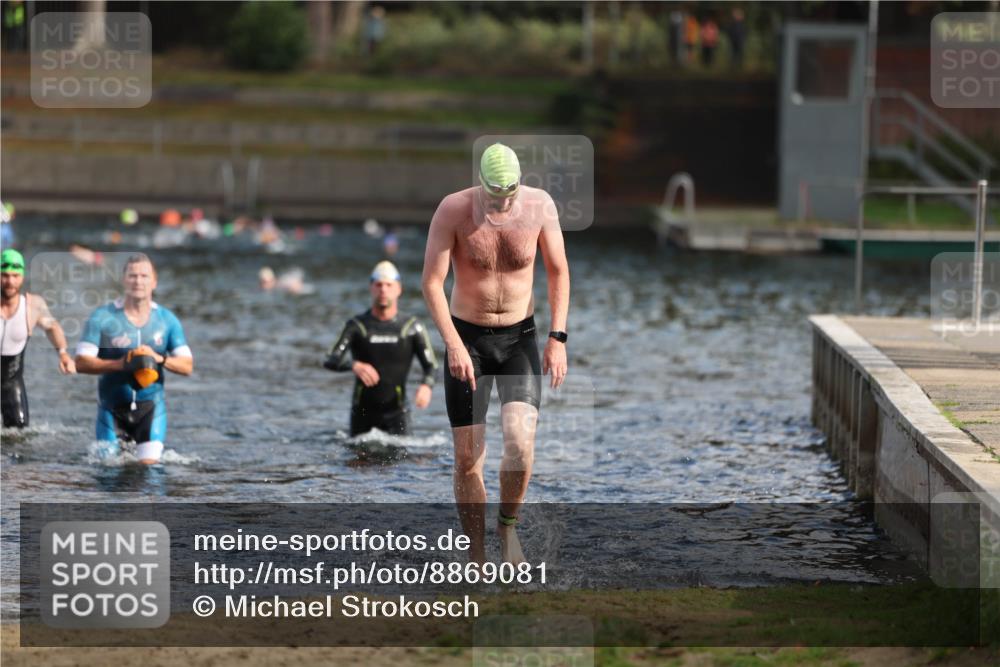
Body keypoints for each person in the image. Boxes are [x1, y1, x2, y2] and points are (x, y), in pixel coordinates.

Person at [421, 143, 570, 564]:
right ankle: (475, 552)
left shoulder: (540, 207)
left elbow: (558, 270)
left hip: (518, 337)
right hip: (466, 339)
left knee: (521, 443)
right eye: (493, 196)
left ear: (519, 184)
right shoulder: (453, 210)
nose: (500, 205)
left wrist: (557, 338)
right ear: (480, 183)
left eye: (507, 196)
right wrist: (452, 344)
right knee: (468, 457)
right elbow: (432, 283)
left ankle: (506, 530)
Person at [75, 254, 193, 464]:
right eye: (132, 275)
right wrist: (119, 364)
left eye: (144, 276)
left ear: (154, 282)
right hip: (111, 411)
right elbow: (81, 362)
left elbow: (187, 366)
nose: (138, 281)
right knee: (108, 472)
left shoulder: (167, 320)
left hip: (151, 409)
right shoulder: (102, 316)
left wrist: (159, 359)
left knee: (150, 474)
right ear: (123, 280)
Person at [324, 261, 437, 437]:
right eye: (378, 285)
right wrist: (354, 365)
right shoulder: (357, 326)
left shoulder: (411, 327)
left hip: (397, 414)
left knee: (405, 462)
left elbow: (431, 366)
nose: (383, 290)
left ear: (398, 289)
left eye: (388, 285)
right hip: (362, 415)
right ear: (371, 288)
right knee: (357, 462)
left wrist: (426, 386)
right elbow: (331, 358)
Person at [1, 249, 76, 428]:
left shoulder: (33, 305)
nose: (9, 281)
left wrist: (63, 353)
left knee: (18, 434)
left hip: (11, 383)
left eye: (14, 275)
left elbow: (52, 327)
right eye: (4, 275)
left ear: (22, 277)